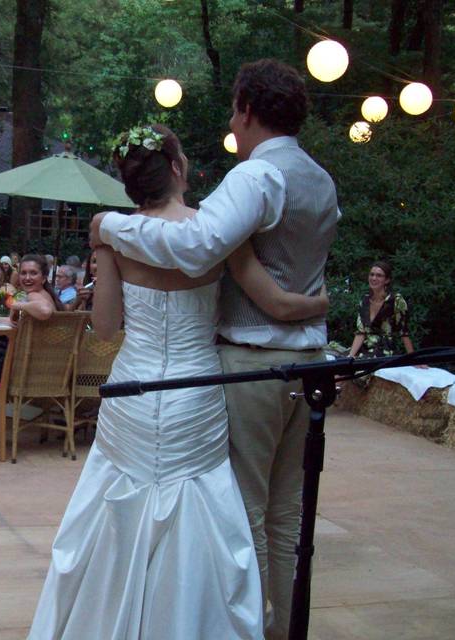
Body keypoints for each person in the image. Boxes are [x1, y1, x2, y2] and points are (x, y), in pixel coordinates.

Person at [34, 118, 331, 638]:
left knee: (113, 509)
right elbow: (271, 300)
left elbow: (105, 329)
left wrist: (106, 243)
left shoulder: (114, 237)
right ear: (176, 168)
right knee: (205, 516)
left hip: (132, 390)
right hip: (195, 394)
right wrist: (318, 303)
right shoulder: (214, 232)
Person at [0, 255, 60, 382]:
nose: (27, 278)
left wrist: (15, 304)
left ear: (44, 278)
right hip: (44, 359)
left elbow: (45, 311)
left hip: (29, 364)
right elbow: (17, 323)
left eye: (33, 273)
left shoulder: (34, 295)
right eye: (23, 273)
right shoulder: (42, 294)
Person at [348, 261, 417, 359]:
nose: (374, 278)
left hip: (384, 352)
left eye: (379, 275)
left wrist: (414, 359)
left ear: (387, 280)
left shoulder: (395, 300)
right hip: (364, 350)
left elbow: (404, 332)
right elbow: (361, 333)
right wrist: (350, 356)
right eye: (372, 275)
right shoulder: (364, 301)